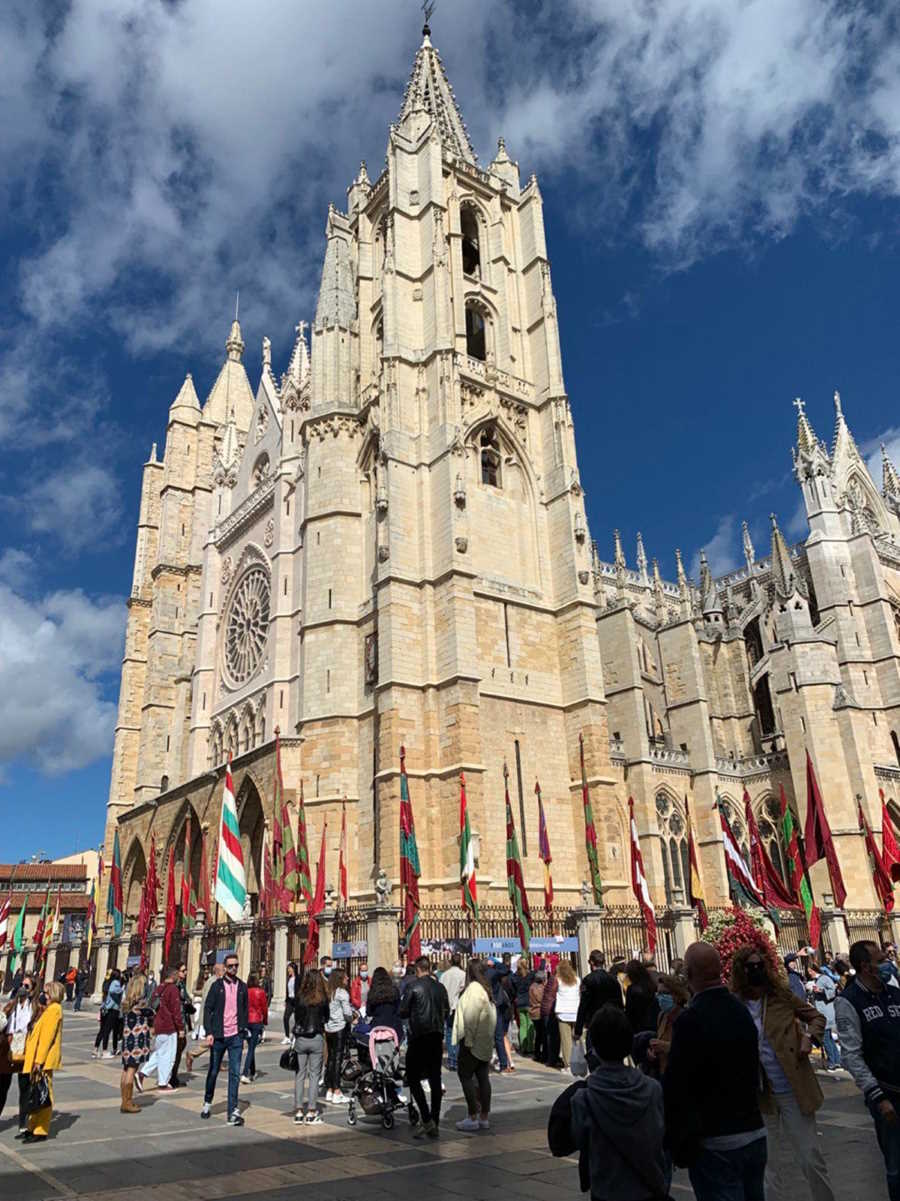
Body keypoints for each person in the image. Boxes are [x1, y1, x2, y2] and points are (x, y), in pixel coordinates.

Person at [664, 942, 766, 1201]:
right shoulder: (741, 1011)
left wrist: (675, 1141)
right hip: (754, 1133)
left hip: (716, 1142)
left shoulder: (691, 1020)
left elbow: (678, 1087)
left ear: (688, 975)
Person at [731, 944, 834, 1201]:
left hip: (792, 1087)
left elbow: (816, 1018)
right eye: (750, 967)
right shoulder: (735, 1005)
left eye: (759, 966)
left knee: (810, 1157)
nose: (756, 971)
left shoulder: (781, 996)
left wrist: (810, 1038)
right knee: (767, 1165)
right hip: (760, 1094)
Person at [568, 1003, 668, 1201]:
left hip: (607, 1188)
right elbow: (660, 1135)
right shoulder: (652, 1089)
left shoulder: (583, 1099)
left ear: (594, 1047)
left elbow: (580, 1141)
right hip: (646, 1187)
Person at [835, 940, 900, 1201]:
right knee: (896, 1166)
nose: (887, 965)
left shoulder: (894, 994)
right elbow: (851, 1055)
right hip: (887, 1095)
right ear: (866, 967)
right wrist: (878, 1097)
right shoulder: (849, 1002)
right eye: (881, 961)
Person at [399, 955, 449, 1138]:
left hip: (418, 1036)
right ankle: (434, 1120)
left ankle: (426, 1118)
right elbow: (446, 1009)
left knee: (412, 1078)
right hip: (436, 1035)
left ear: (418, 969)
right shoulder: (440, 987)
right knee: (435, 1078)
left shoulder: (413, 986)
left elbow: (402, 1010)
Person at [201, 952, 248, 1126]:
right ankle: (207, 1102)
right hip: (219, 1035)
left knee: (234, 1073)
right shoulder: (217, 986)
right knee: (213, 1071)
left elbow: (244, 1010)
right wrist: (209, 1032)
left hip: (235, 1035)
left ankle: (232, 1111)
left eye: (236, 965)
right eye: (230, 966)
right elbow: (208, 1009)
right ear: (225, 967)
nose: (234, 968)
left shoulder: (242, 987)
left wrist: (243, 1031)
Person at [452, 959, 496, 1133]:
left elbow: (470, 1018)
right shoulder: (486, 990)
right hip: (484, 1041)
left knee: (465, 1075)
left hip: (473, 1041)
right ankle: (484, 1116)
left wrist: (468, 1041)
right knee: (483, 1077)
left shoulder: (472, 991)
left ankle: (472, 1116)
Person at [21, 980, 63, 1143]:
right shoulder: (48, 1010)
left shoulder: (54, 1010)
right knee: (36, 1093)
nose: (43, 996)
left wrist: (39, 1060)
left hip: (43, 1060)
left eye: (46, 993)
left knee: (44, 1094)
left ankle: (41, 1130)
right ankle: (32, 1126)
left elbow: (47, 1037)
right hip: (37, 1058)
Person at [292, 968, 329, 1125]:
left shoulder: (300, 998)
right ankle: (312, 1111)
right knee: (314, 1075)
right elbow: (326, 1018)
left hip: (301, 1039)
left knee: (300, 1075)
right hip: (316, 1038)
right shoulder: (323, 999)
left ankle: (299, 1111)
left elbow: (297, 1017)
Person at [138, 967, 184, 1092]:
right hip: (169, 1026)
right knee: (168, 1056)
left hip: (159, 1025)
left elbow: (152, 1004)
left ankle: (142, 1074)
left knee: (159, 1053)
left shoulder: (159, 987)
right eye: (178, 974)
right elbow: (176, 1010)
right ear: (173, 975)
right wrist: (180, 1028)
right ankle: (163, 1083)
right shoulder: (173, 989)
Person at [0, 975, 34, 1135]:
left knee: (25, 1089)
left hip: (25, 1051)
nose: (22, 988)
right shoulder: (10, 1006)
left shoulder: (35, 1008)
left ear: (32, 990)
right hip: (7, 1051)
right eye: (21, 985)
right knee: (1, 1088)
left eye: (26, 986)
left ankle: (23, 1123)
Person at [120, 973, 153, 1114]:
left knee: (126, 1068)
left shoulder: (127, 1002)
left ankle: (125, 1099)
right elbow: (151, 1012)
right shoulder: (140, 1003)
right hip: (136, 1039)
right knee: (132, 1069)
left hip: (128, 1037)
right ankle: (127, 1102)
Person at [645, 971, 689, 1077]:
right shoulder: (662, 1016)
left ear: (677, 995)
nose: (660, 997)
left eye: (664, 993)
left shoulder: (687, 1017)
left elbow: (690, 1049)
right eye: (658, 993)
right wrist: (652, 1052)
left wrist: (665, 1047)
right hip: (663, 1073)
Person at [575, 950, 618, 1046]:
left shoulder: (588, 980)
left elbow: (583, 1005)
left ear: (591, 962)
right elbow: (618, 1003)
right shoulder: (613, 979)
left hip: (595, 1022)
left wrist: (578, 1030)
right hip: (611, 1021)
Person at [324, 967, 353, 1104]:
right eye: (346, 977)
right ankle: (336, 1090)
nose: (348, 978)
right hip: (340, 1028)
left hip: (329, 1028)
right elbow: (347, 1014)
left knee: (330, 1058)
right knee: (337, 1059)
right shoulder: (342, 993)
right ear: (340, 979)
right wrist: (353, 1017)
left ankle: (329, 1089)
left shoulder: (329, 992)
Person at [807, 960, 841, 1071]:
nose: (809, 973)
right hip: (821, 1012)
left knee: (825, 1038)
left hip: (826, 1013)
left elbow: (832, 991)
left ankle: (832, 1062)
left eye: (810, 971)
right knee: (829, 1038)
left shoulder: (825, 978)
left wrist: (821, 991)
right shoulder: (816, 980)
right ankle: (837, 1061)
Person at [241, 973, 268, 1084]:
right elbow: (264, 1008)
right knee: (251, 1049)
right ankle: (245, 1073)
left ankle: (252, 1071)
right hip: (256, 1021)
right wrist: (265, 1021)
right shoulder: (260, 992)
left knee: (251, 1046)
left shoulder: (245, 991)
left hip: (247, 1021)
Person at [365, 966, 403, 1041]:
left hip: (377, 1028)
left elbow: (369, 1012)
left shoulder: (372, 993)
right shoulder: (394, 991)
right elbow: (398, 1009)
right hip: (394, 1026)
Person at [555, 959, 580, 1072]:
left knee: (566, 1041)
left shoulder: (558, 980)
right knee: (577, 1039)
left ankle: (568, 1065)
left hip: (563, 1013)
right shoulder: (577, 980)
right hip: (575, 1011)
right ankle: (579, 1061)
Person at [623, 959, 659, 1035]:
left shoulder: (631, 989)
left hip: (638, 1025)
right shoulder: (650, 985)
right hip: (653, 1023)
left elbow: (629, 1010)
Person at [94, 968, 124, 1058]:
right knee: (108, 1030)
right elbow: (113, 991)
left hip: (104, 1008)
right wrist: (121, 990)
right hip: (112, 1009)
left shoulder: (107, 982)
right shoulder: (115, 983)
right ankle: (105, 1051)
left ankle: (95, 1050)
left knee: (102, 1030)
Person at [512, 957, 535, 1054]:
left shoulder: (515, 977)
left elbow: (513, 989)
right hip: (529, 1002)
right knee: (530, 1025)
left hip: (520, 1002)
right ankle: (530, 1047)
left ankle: (523, 1046)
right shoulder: (531, 975)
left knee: (522, 1025)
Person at [541, 962, 561, 1067]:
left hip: (546, 1009)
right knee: (553, 1035)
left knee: (550, 1034)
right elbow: (555, 994)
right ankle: (552, 1059)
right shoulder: (555, 980)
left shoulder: (552, 979)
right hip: (550, 1010)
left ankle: (550, 1057)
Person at [529, 969, 548, 1063]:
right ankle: (539, 1053)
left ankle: (538, 1053)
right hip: (538, 1012)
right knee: (542, 1034)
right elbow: (540, 998)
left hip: (535, 1012)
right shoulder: (538, 988)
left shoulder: (532, 986)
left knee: (539, 1034)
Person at [282, 962, 298, 1044]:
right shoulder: (289, 978)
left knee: (297, 1020)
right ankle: (287, 1036)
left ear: (293, 968)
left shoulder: (298, 978)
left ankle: (296, 1036)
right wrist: (286, 1000)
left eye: (289, 968)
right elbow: (288, 991)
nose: (288, 970)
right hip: (290, 1001)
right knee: (285, 1018)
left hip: (296, 1001)